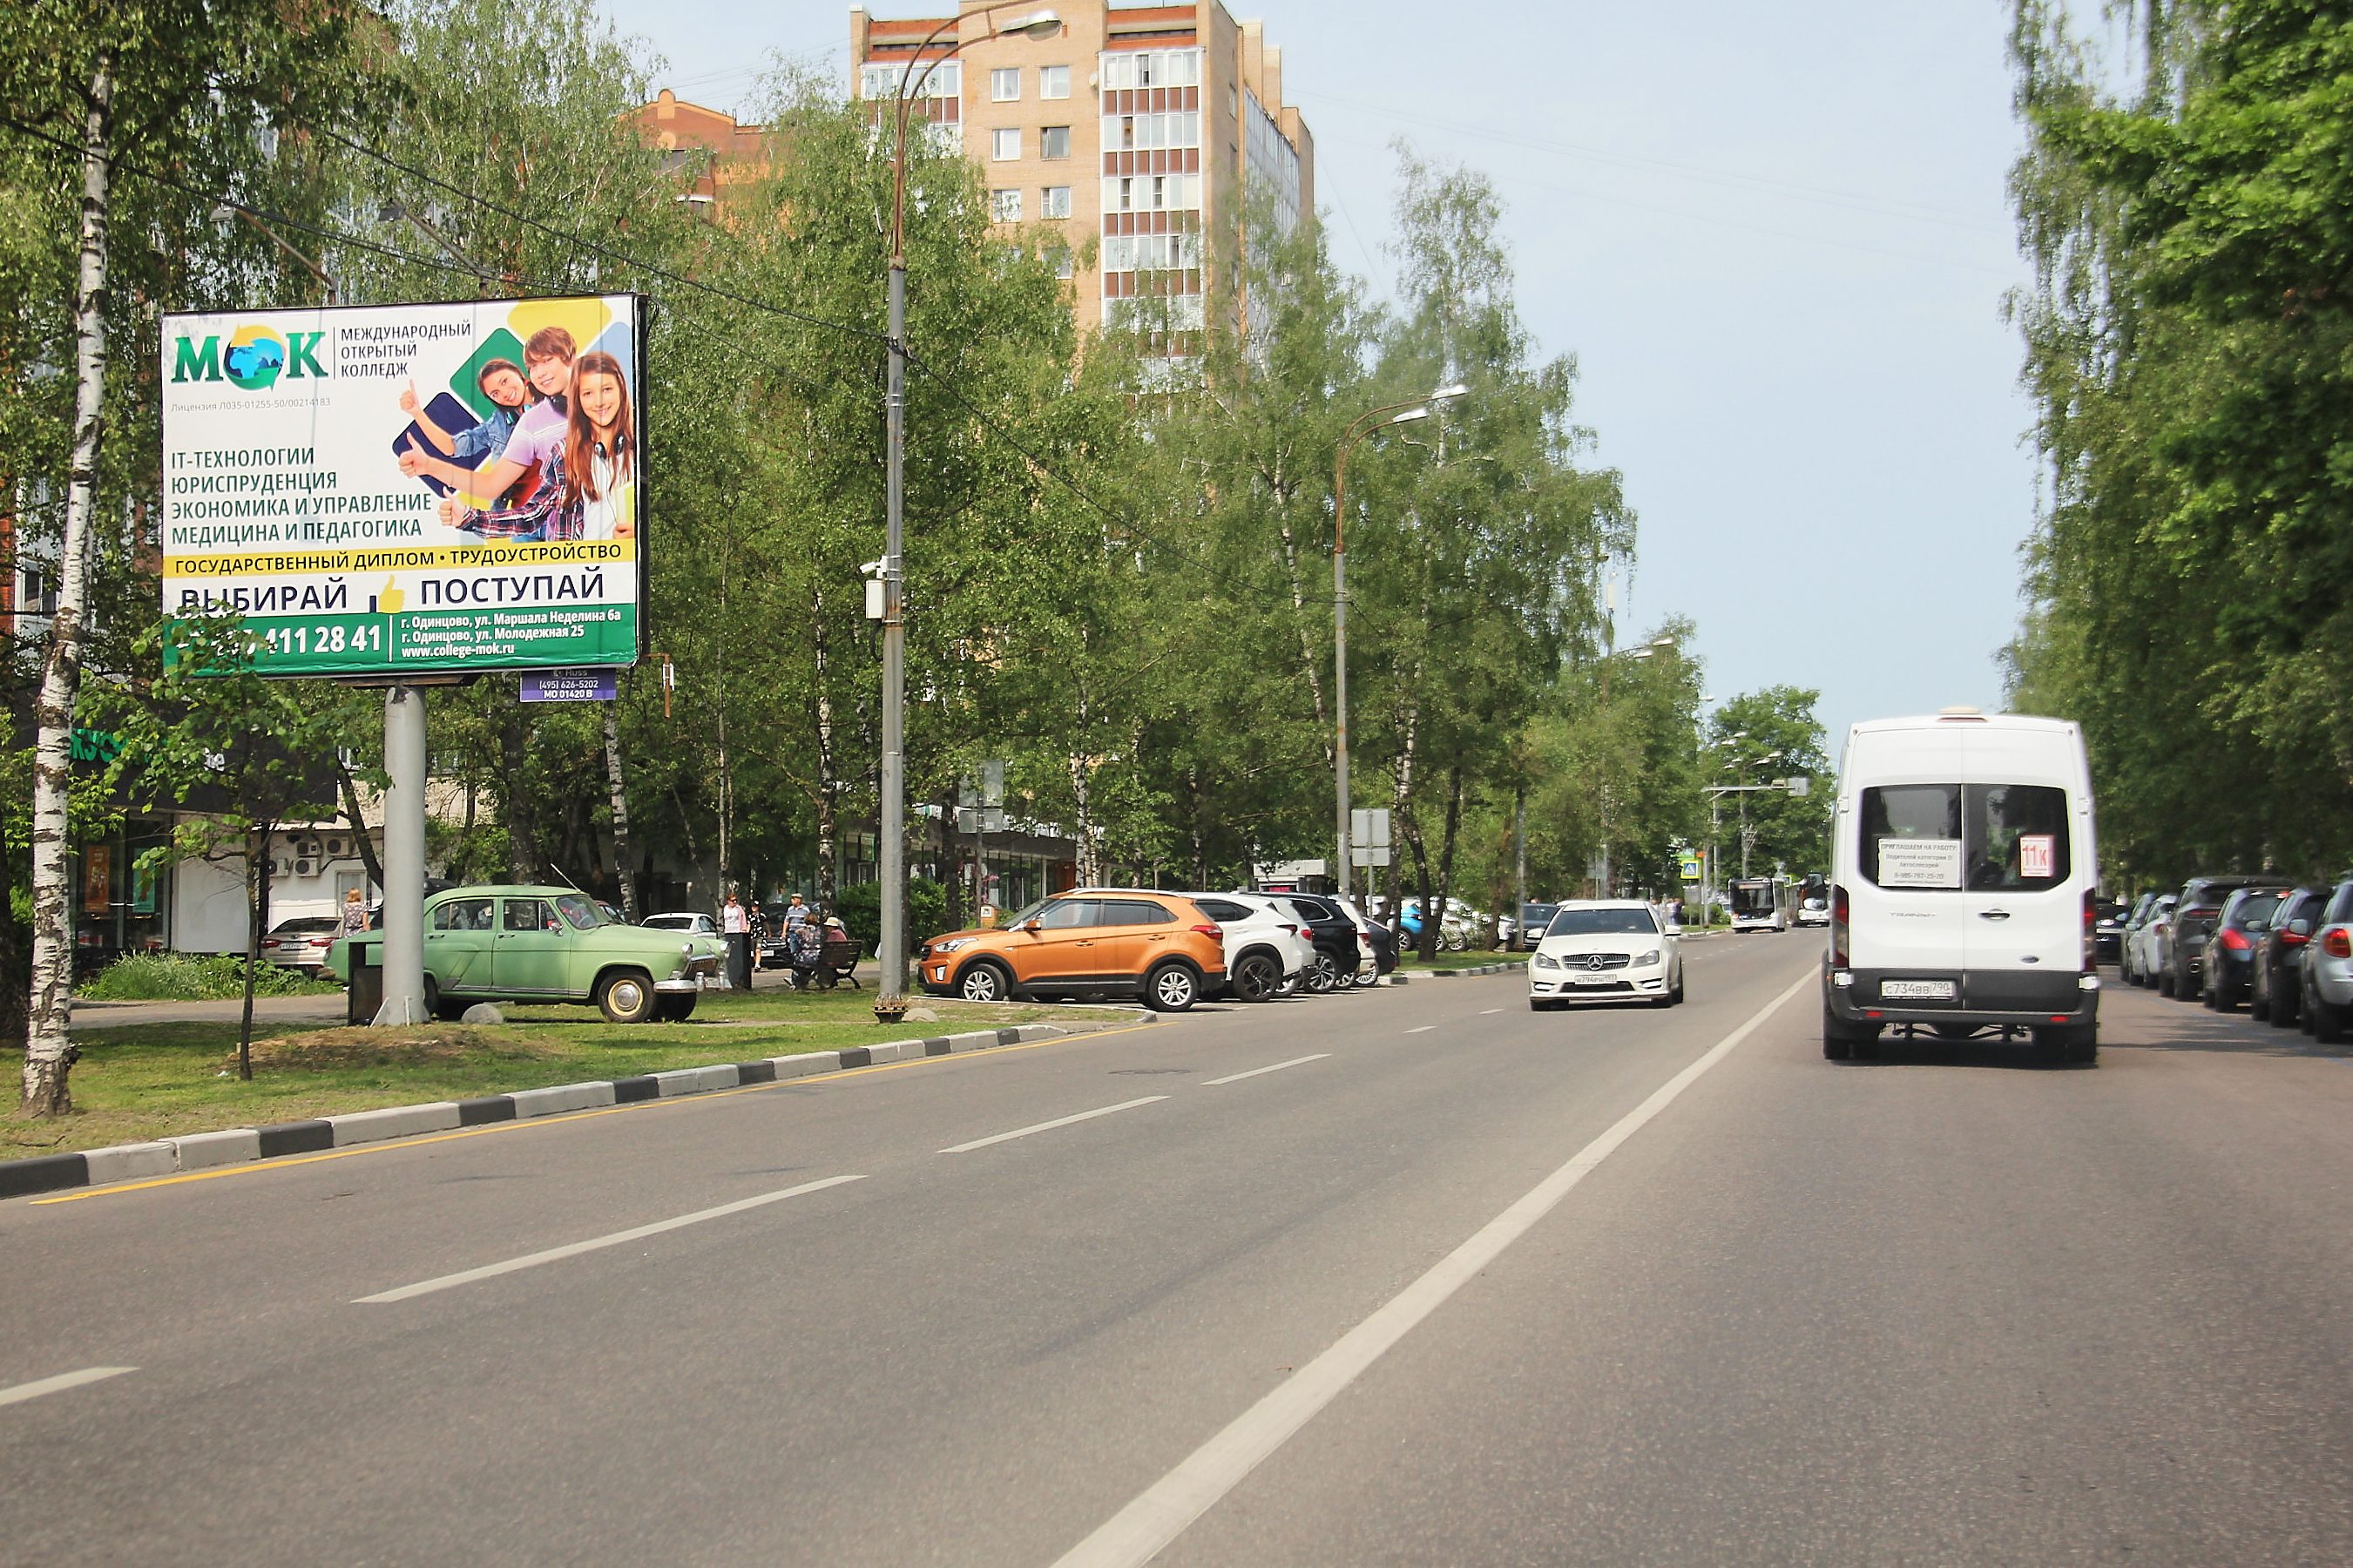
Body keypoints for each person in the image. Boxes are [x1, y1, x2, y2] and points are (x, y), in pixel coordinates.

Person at [557, 350, 636, 541]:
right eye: (588, 394)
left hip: (634, 559)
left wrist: (641, 532)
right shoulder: (564, 453)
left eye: (607, 389)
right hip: (589, 559)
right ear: (578, 400)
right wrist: (481, 518)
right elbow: (533, 512)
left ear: (621, 389)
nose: (599, 402)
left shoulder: (644, 446)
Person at [398, 359, 529, 471]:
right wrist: (417, 413)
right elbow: (452, 447)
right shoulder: (497, 426)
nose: (504, 393)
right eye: (495, 394)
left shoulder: (542, 399)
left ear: (518, 373)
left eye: (504, 381)